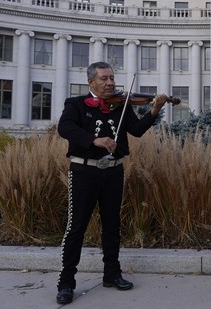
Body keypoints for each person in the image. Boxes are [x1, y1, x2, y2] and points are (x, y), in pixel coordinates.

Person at [55, 62, 167, 305]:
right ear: (91, 82)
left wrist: (155, 110)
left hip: (114, 172)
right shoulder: (75, 104)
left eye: (112, 78)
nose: (110, 83)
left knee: (112, 227)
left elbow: (136, 131)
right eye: (104, 79)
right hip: (84, 171)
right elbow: (64, 128)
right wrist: (93, 140)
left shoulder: (121, 105)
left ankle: (112, 274)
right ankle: (66, 282)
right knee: (76, 228)